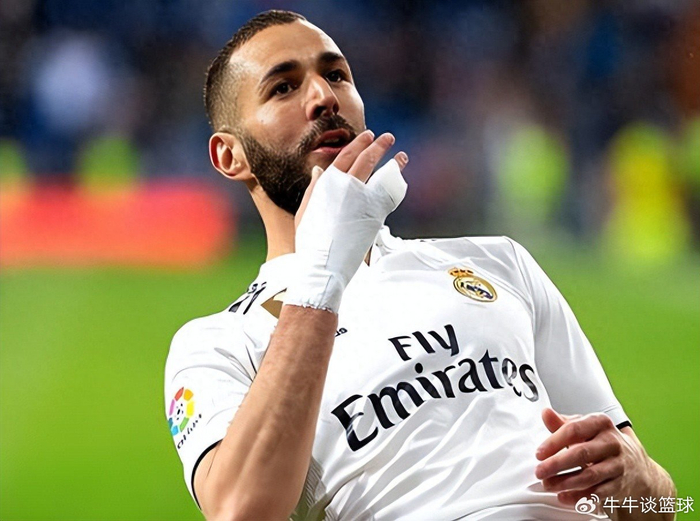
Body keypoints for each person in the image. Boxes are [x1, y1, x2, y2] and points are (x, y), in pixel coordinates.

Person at [164, 10, 675, 521]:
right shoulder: (220, 344)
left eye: (336, 75)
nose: (323, 97)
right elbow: (242, 509)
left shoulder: (500, 262)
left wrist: (642, 479)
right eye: (282, 88)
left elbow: (659, 504)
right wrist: (320, 275)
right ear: (230, 155)